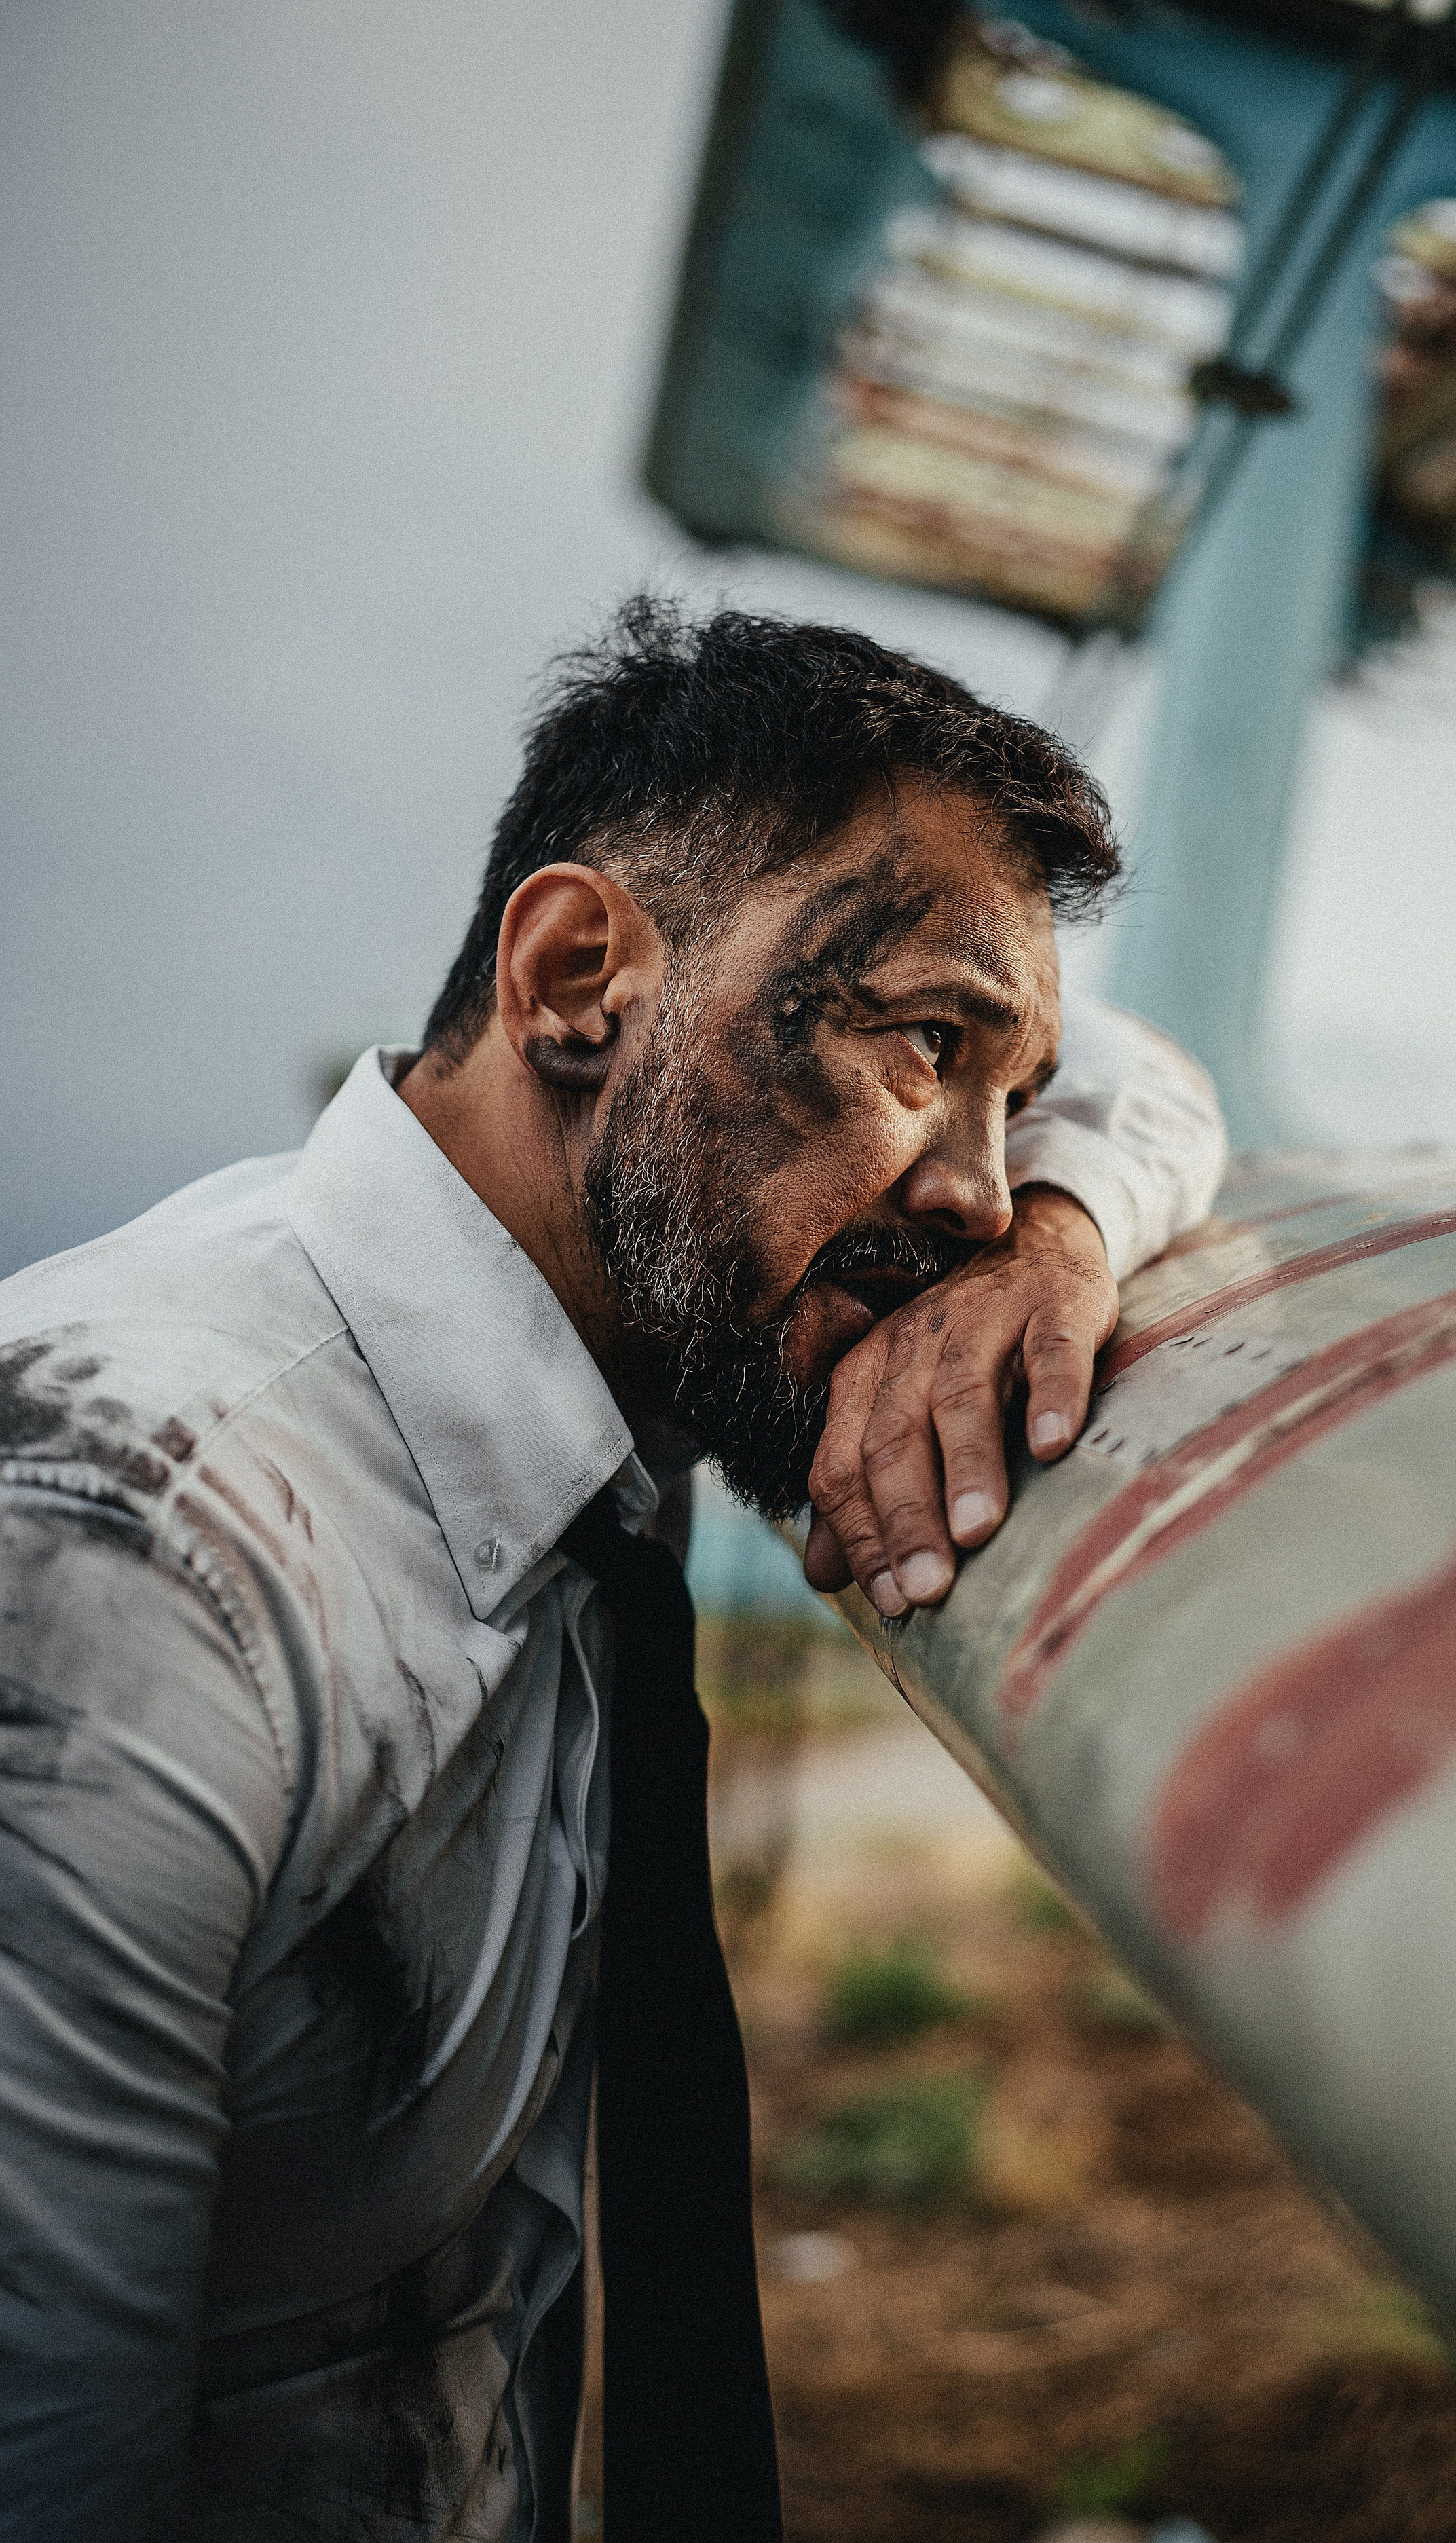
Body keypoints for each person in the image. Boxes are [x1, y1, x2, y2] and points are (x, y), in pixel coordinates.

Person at [0, 601, 1225, 2541]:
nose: (979, 1192)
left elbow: (1145, 1073)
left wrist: (1073, 1234)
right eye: (929, 1047)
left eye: (1014, 1098)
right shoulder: (118, 1564)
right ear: (578, 978)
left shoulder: (604, 1354)